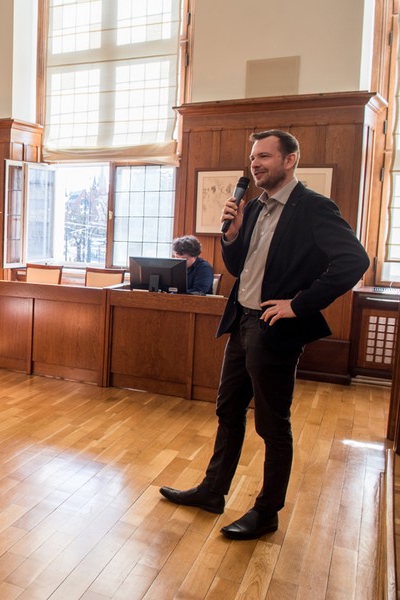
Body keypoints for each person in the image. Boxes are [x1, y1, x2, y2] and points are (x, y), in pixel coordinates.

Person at [158, 130, 370, 540]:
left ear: (290, 160)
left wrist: (300, 304)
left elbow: (354, 261)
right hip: (242, 321)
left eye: (265, 157)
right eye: (253, 157)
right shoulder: (253, 207)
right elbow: (238, 267)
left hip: (275, 327)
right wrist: (232, 233)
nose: (255, 164)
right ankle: (213, 491)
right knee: (228, 410)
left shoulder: (314, 207)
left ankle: (267, 511)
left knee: (272, 424)